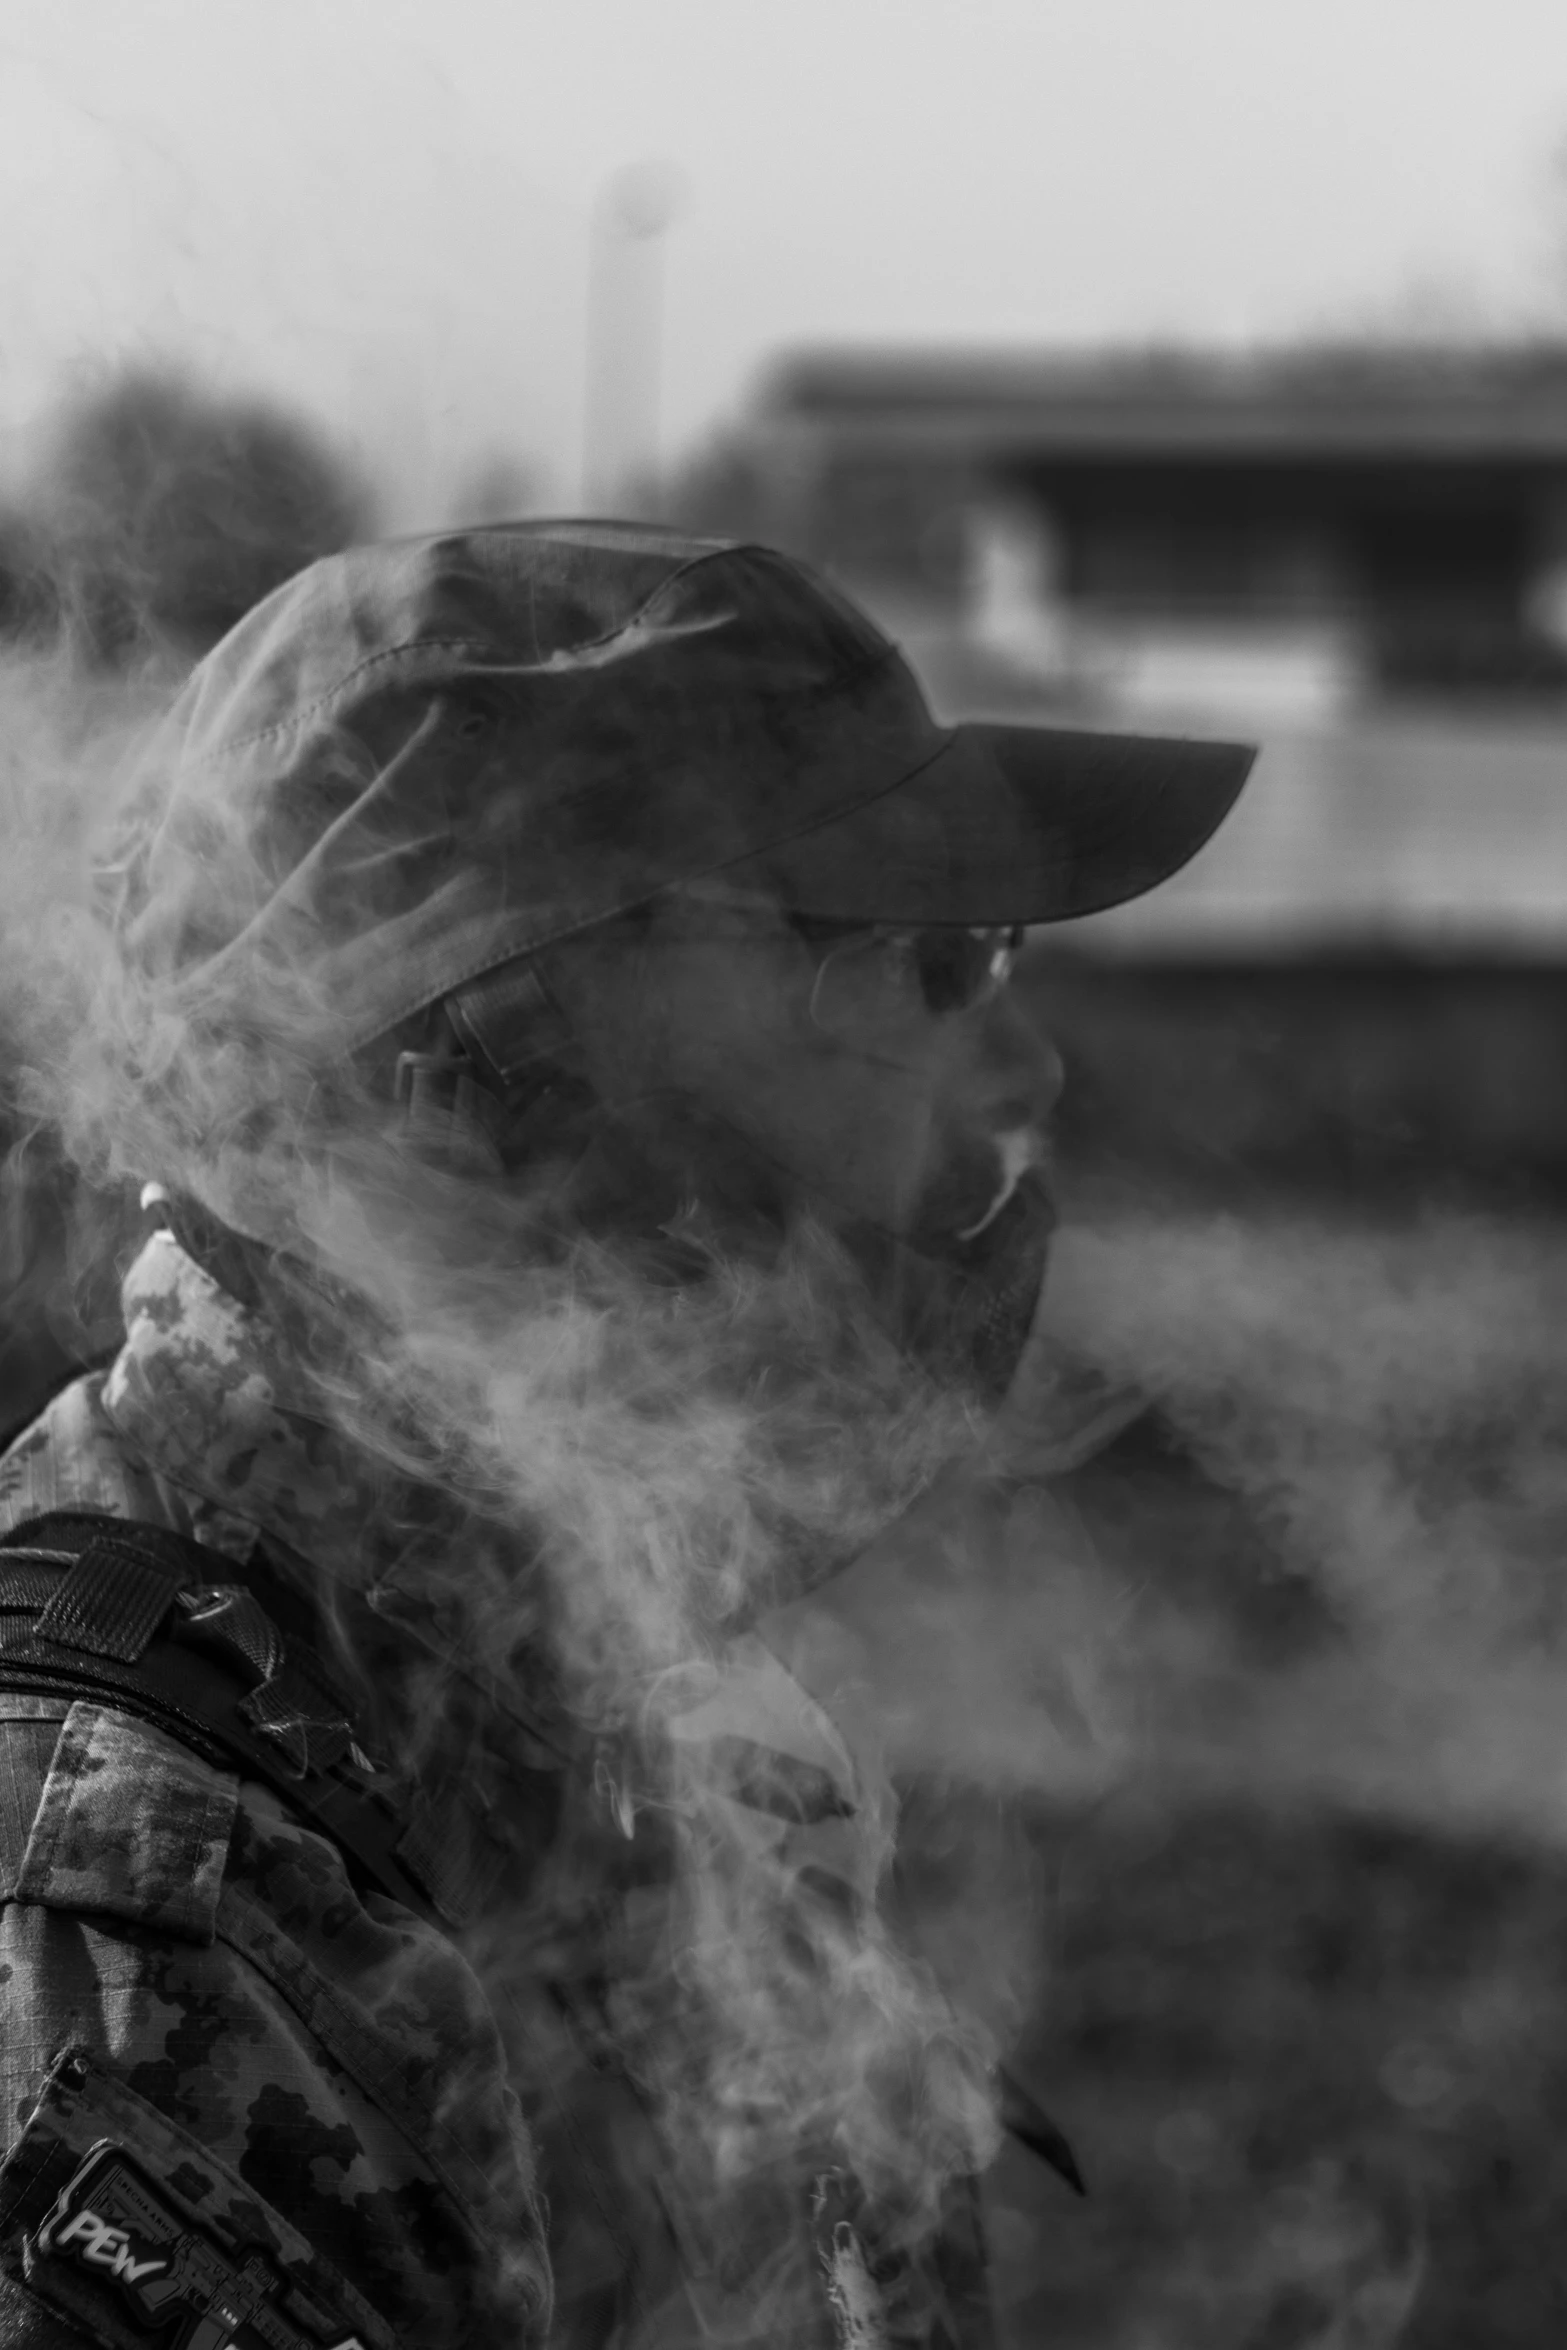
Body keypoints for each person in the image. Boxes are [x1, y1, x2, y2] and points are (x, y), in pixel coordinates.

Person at [0, 521, 1253, 2348]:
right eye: (920, 956)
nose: (1022, 1069)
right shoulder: (118, 1909)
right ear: (525, 1081)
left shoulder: (588, 1701)